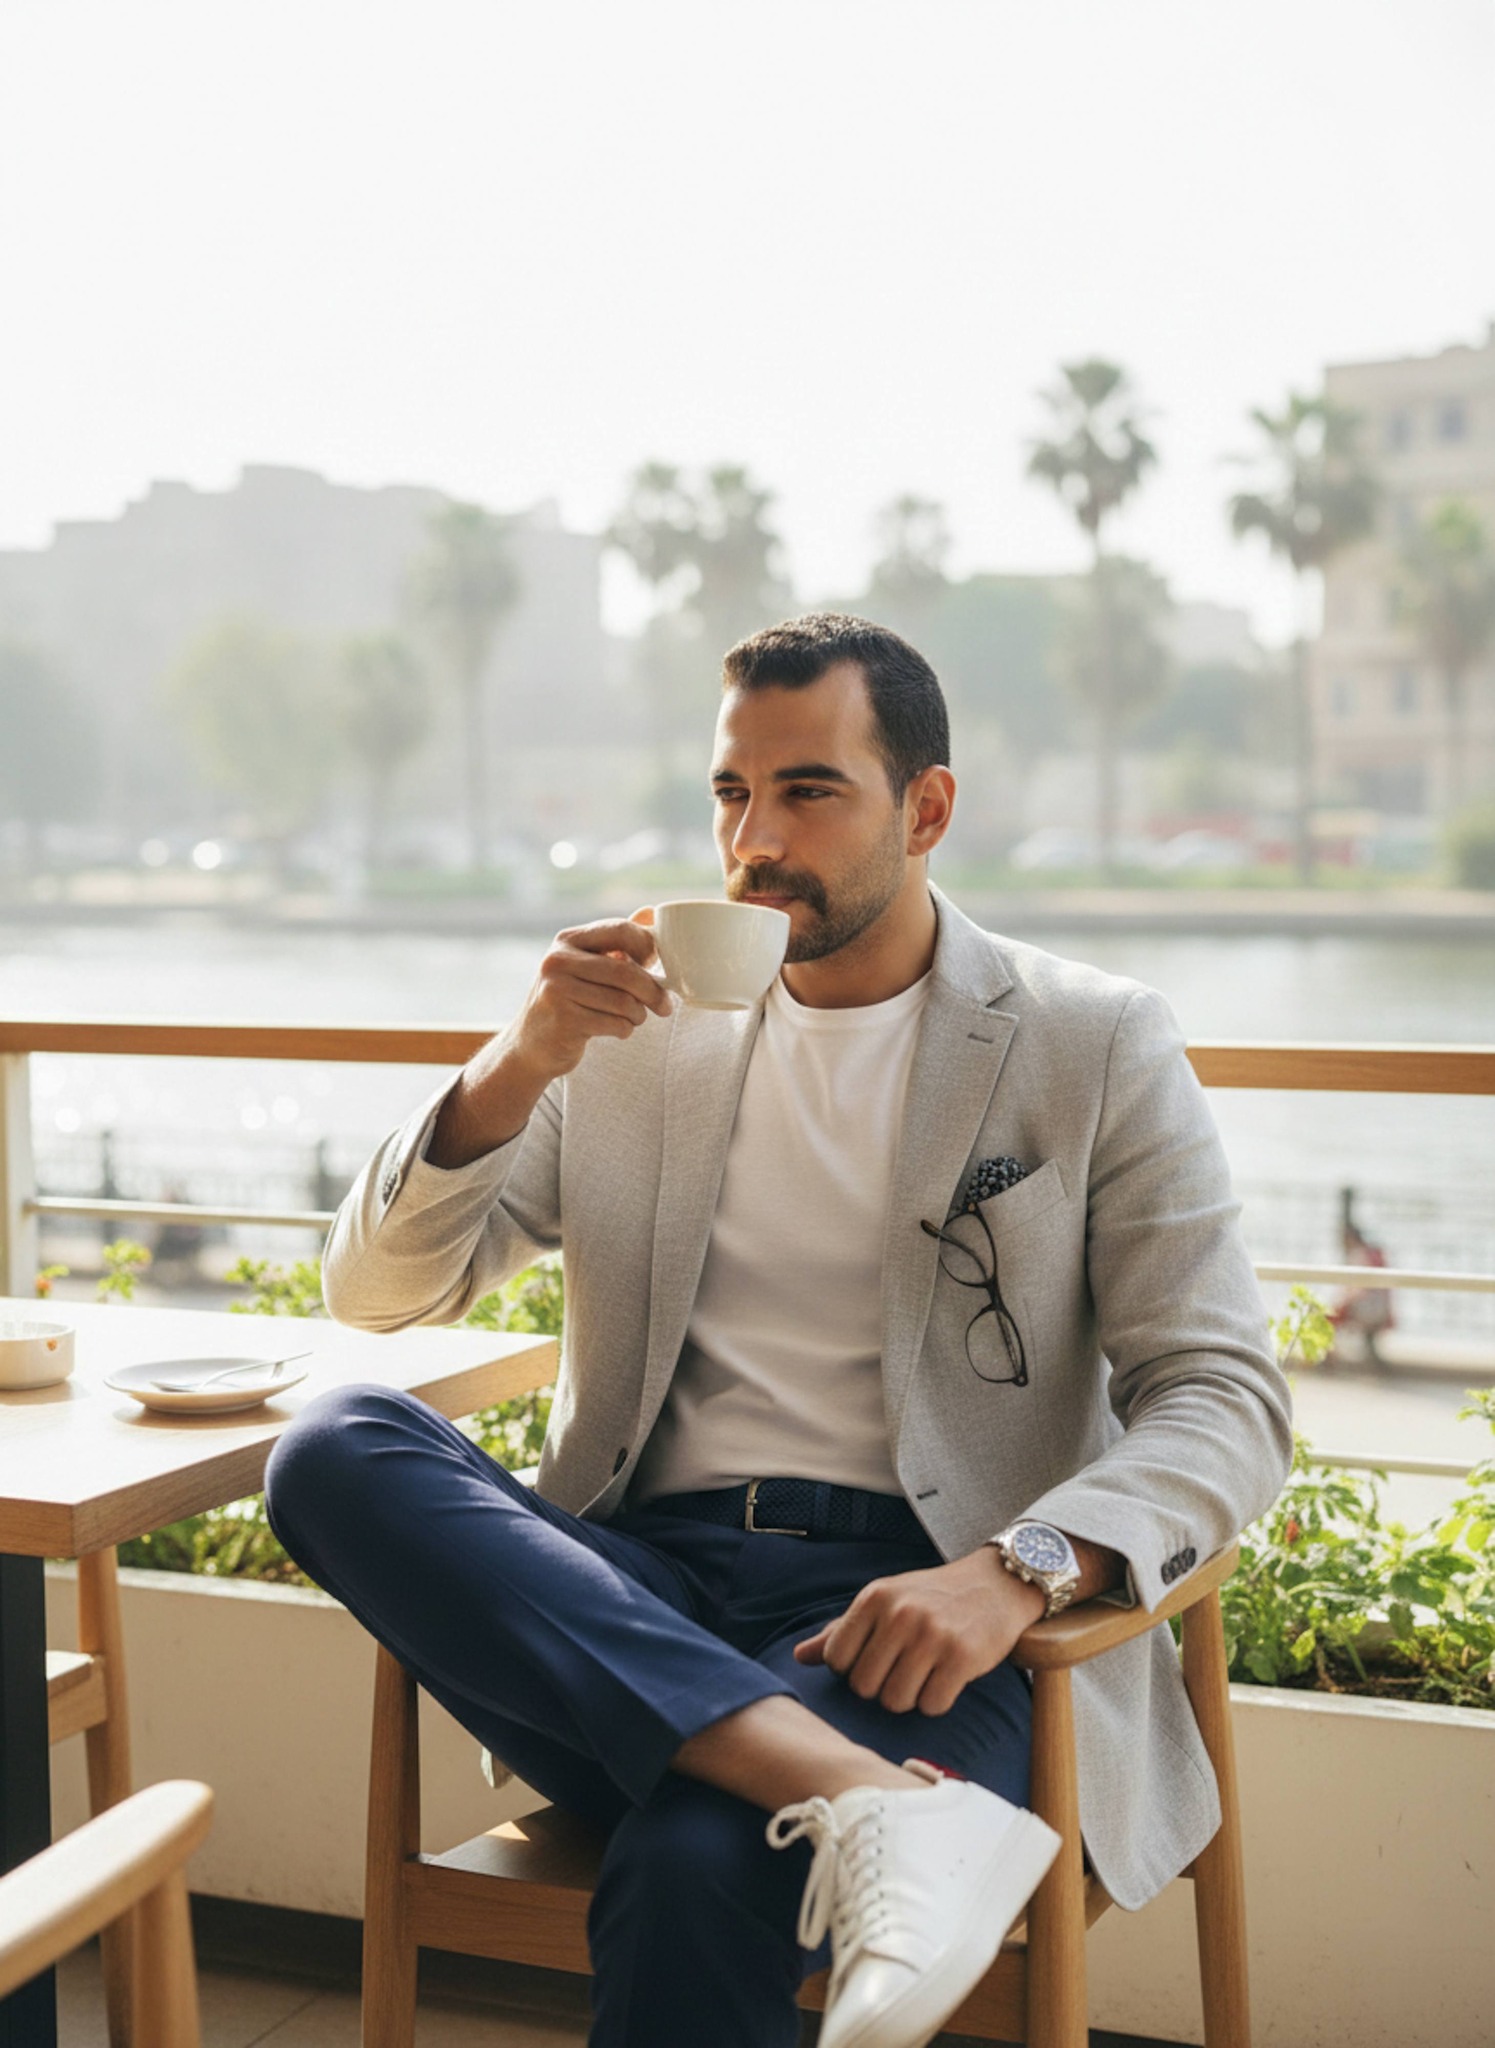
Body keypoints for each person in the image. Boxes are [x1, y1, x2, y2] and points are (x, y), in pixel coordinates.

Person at [265, 614, 1293, 2048]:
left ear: (926, 808)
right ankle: (868, 1804)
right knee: (333, 1448)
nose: (754, 841)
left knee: (698, 1866)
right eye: (730, 793)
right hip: (647, 1595)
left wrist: (1017, 1571)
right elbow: (379, 1293)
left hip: (918, 1618)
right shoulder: (629, 1039)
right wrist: (519, 1063)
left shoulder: (1090, 1040)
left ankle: (834, 1785)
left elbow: (1223, 1392)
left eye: (808, 791)